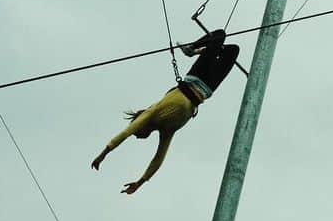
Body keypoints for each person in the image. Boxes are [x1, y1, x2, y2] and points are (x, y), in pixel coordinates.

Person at [90, 29, 240, 194]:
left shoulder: (152, 112)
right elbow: (158, 159)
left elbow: (125, 133)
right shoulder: (167, 131)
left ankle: (192, 49)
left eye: (137, 132)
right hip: (208, 88)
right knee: (234, 50)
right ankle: (204, 50)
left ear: (140, 124)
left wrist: (103, 154)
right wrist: (140, 183)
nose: (138, 137)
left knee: (220, 35)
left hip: (195, 77)